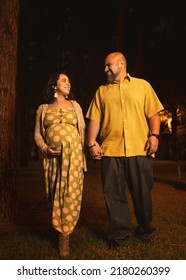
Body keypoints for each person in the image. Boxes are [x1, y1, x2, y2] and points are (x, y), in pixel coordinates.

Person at [86, 52, 164, 249]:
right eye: (104, 66)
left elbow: (154, 114)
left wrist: (154, 136)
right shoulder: (101, 92)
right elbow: (94, 119)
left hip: (140, 148)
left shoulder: (142, 86)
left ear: (121, 64)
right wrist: (91, 143)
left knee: (142, 194)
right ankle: (120, 236)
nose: (105, 69)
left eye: (108, 65)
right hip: (111, 151)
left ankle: (145, 231)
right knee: (114, 196)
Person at [34, 71, 87, 256]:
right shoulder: (43, 109)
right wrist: (45, 148)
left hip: (73, 156)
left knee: (70, 192)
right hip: (52, 159)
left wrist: (81, 155)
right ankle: (58, 227)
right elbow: (37, 134)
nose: (68, 83)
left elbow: (81, 131)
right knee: (54, 191)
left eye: (69, 81)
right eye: (64, 80)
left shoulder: (75, 106)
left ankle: (65, 235)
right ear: (53, 86)